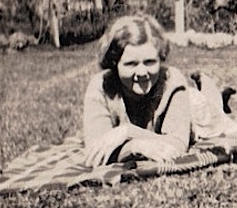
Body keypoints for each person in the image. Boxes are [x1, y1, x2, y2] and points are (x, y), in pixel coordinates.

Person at [82, 15, 194, 166]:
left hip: (196, 111)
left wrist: (127, 132)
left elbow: (177, 144)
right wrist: (136, 147)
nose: (142, 72)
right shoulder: (101, 86)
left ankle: (207, 86)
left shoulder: (172, 81)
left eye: (150, 62)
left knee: (211, 113)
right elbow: (96, 151)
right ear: (114, 63)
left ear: (160, 58)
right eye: (131, 64)